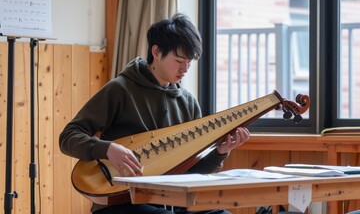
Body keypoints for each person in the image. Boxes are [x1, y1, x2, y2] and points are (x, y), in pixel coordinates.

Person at [59, 13, 250, 214]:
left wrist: (220, 153)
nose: (185, 69)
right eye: (179, 60)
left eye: (189, 62)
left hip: (172, 202)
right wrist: (107, 149)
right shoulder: (120, 90)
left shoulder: (188, 103)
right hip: (122, 202)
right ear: (156, 51)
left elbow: (191, 173)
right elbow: (68, 136)